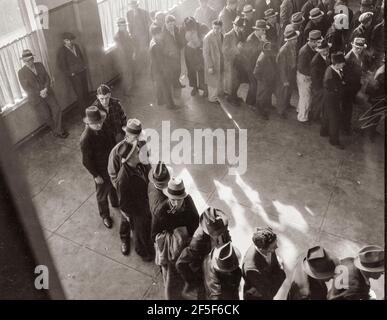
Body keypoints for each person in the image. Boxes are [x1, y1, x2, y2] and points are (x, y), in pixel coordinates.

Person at [152, 178, 200, 300]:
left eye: (179, 200)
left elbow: (196, 223)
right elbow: (154, 235)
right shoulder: (161, 211)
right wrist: (175, 237)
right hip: (170, 252)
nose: (176, 203)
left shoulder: (189, 202)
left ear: (184, 197)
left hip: (186, 248)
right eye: (173, 200)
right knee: (170, 279)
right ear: (168, 197)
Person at [176, 207, 232, 299]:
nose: (223, 234)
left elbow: (227, 238)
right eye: (218, 233)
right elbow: (180, 263)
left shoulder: (220, 226)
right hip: (203, 268)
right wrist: (193, 281)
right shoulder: (198, 242)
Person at [113, 140, 154, 260]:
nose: (140, 152)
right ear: (130, 158)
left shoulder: (139, 164)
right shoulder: (123, 179)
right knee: (139, 232)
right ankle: (143, 252)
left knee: (146, 228)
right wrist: (133, 216)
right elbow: (124, 204)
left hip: (145, 202)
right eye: (137, 152)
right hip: (137, 210)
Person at [80, 106, 118, 229]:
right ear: (89, 123)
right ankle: (105, 215)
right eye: (95, 123)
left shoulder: (104, 126)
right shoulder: (86, 139)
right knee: (102, 194)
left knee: (113, 185)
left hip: (111, 164)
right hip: (100, 170)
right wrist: (96, 175)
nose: (98, 125)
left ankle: (115, 202)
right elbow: (86, 161)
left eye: (99, 122)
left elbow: (112, 141)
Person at [18, 49, 68, 139]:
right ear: (23, 61)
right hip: (36, 98)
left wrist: (45, 89)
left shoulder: (39, 65)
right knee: (47, 116)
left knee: (57, 109)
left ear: (33, 59)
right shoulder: (21, 72)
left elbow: (47, 78)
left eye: (30, 60)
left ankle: (59, 131)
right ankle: (56, 130)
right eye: (26, 61)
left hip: (47, 92)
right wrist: (40, 93)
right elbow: (26, 88)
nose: (28, 62)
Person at [242, 227, 286, 300]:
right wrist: (281, 270)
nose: (276, 247)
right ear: (262, 249)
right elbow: (269, 293)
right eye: (273, 246)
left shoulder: (267, 245)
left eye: (276, 243)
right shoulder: (252, 269)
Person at [57, 32, 89, 118]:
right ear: (64, 41)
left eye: (71, 40)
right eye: (67, 40)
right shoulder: (62, 51)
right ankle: (84, 115)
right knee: (80, 94)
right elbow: (61, 66)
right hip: (74, 76)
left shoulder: (76, 46)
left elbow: (81, 57)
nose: (70, 42)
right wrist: (70, 73)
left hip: (82, 72)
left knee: (86, 91)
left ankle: (90, 111)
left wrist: (84, 66)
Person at [320, 52, 346, 149]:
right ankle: (334, 141)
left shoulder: (332, 68)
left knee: (327, 115)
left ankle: (323, 132)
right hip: (332, 99)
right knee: (335, 119)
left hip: (328, 98)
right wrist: (342, 85)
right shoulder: (331, 75)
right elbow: (333, 87)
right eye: (343, 63)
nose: (344, 65)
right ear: (337, 64)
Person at [342, 37, 367, 135]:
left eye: (360, 48)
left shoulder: (360, 55)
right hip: (348, 88)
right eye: (357, 47)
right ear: (353, 46)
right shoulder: (348, 58)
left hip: (354, 87)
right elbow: (346, 76)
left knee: (350, 108)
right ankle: (345, 128)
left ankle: (347, 125)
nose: (359, 50)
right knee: (347, 108)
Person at [241, 19, 268, 108]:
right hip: (250, 65)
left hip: (256, 65)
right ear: (257, 30)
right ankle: (249, 103)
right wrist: (262, 42)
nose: (264, 32)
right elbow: (254, 54)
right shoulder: (251, 39)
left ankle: (251, 102)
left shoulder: (259, 37)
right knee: (254, 85)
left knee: (255, 85)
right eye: (263, 30)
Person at [296, 30, 321, 123]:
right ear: (313, 41)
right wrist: (313, 74)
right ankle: (302, 118)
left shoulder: (311, 49)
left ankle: (300, 110)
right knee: (306, 98)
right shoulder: (304, 51)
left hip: (306, 76)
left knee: (303, 97)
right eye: (318, 42)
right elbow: (302, 68)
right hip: (304, 77)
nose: (319, 44)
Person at [182, 17, 209, 97]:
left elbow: (207, 39)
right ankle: (194, 87)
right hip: (189, 50)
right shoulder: (184, 27)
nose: (191, 30)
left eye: (192, 28)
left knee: (201, 69)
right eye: (188, 29)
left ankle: (205, 88)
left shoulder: (202, 27)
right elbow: (181, 40)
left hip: (199, 50)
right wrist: (188, 43)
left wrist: (199, 44)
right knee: (191, 69)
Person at [276, 25, 299, 118]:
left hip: (291, 72)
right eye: (295, 39)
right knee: (282, 93)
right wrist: (284, 80)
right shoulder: (283, 51)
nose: (296, 41)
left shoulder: (292, 47)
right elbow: (281, 68)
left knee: (289, 91)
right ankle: (280, 111)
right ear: (289, 40)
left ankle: (287, 104)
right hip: (285, 75)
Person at [149, 25, 176, 108]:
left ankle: (160, 101)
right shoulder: (156, 45)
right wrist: (166, 71)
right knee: (167, 86)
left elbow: (159, 55)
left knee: (159, 85)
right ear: (155, 34)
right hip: (160, 69)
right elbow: (160, 60)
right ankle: (170, 105)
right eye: (160, 33)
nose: (161, 35)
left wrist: (167, 54)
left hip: (155, 69)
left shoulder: (153, 41)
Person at [223, 16, 246, 106]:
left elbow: (242, 45)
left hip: (239, 61)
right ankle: (231, 98)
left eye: (239, 26)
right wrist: (237, 49)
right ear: (233, 25)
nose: (237, 28)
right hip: (231, 63)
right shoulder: (228, 35)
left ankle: (234, 95)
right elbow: (224, 50)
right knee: (233, 81)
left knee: (238, 80)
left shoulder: (241, 34)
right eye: (236, 25)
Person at [126, 0, 152, 74]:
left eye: (134, 4)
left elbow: (149, 23)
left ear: (137, 5)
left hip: (143, 36)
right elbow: (129, 25)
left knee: (145, 52)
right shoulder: (128, 13)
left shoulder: (144, 12)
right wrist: (130, 34)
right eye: (131, 5)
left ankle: (148, 69)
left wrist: (148, 36)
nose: (133, 6)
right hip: (134, 37)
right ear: (130, 6)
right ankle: (141, 69)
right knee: (137, 53)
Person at [254, 41, 277, 120]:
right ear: (267, 50)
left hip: (268, 79)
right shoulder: (262, 58)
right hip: (263, 81)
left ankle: (266, 107)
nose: (273, 53)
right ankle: (260, 112)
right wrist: (263, 81)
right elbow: (256, 73)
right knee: (261, 97)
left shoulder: (267, 56)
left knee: (266, 95)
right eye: (271, 51)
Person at [203, 19, 225, 104]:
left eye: (218, 28)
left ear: (221, 28)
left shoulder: (221, 35)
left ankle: (217, 95)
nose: (216, 30)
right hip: (212, 63)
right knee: (212, 82)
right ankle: (212, 98)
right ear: (212, 27)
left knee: (218, 79)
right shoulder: (208, 38)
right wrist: (210, 66)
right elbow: (205, 53)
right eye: (214, 28)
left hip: (220, 61)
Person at [310, 40, 331, 122]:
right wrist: (320, 87)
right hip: (318, 86)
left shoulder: (325, 57)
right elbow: (315, 77)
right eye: (324, 50)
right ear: (320, 51)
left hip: (322, 84)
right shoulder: (316, 61)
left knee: (320, 102)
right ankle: (314, 117)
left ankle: (316, 116)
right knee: (316, 102)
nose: (327, 52)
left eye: (327, 49)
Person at [162, 15, 185, 89]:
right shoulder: (163, 33)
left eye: (173, 24)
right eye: (170, 24)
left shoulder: (176, 29)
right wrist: (168, 53)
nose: (172, 26)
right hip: (168, 56)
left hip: (176, 53)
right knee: (171, 71)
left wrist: (180, 46)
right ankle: (172, 85)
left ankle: (177, 83)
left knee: (178, 69)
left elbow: (179, 39)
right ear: (166, 23)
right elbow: (162, 46)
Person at [114, 18, 135, 97]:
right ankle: (126, 91)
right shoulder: (117, 36)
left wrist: (133, 52)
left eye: (125, 25)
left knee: (129, 73)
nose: (125, 27)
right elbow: (121, 50)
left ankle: (129, 88)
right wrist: (126, 60)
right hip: (123, 59)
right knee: (126, 74)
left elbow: (130, 42)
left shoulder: (125, 32)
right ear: (119, 26)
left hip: (129, 56)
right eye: (123, 25)